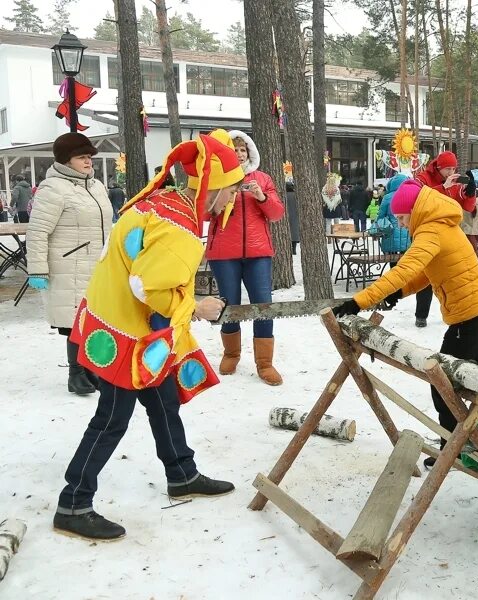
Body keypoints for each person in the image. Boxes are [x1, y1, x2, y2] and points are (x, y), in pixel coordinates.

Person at [54, 130, 241, 541]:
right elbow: (148, 286)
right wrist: (197, 309)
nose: (233, 200)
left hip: (123, 324)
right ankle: (74, 502)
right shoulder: (181, 228)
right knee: (112, 418)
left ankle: (181, 473)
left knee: (162, 399)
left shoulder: (167, 202)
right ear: (216, 188)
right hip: (126, 333)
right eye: (233, 191)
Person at [332, 179, 478, 468]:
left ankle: (453, 445)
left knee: (444, 384)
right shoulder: (437, 223)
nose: (402, 224)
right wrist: (398, 293)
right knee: (476, 384)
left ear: (415, 211)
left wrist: (358, 302)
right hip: (475, 313)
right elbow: (425, 273)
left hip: (469, 318)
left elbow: (404, 270)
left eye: (403, 218)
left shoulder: (431, 230)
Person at [26, 132, 114, 395]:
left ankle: (91, 370)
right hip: (70, 265)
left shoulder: (96, 186)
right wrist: (38, 269)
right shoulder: (53, 189)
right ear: (66, 161)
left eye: (89, 157)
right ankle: (76, 374)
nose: (88, 162)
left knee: (96, 318)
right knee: (76, 320)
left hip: (98, 264)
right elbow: (38, 231)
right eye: (82, 157)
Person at [206, 130, 286, 386]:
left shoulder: (262, 179)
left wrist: (261, 197)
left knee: (263, 304)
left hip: (258, 253)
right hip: (223, 254)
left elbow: (276, 214)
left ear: (249, 153)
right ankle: (231, 353)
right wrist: (221, 191)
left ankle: (265, 363)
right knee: (228, 304)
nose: (239, 154)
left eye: (243, 150)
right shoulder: (216, 179)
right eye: (234, 150)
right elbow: (206, 213)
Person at [413, 151, 478, 327]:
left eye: (453, 168)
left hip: (450, 233)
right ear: (439, 167)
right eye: (447, 169)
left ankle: (457, 312)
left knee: (454, 274)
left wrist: (470, 193)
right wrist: (444, 188)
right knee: (427, 273)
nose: (451, 172)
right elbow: (418, 200)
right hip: (427, 232)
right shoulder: (423, 177)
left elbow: (467, 207)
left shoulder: (456, 181)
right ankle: (421, 314)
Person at [377, 174, 412, 258]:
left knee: (392, 259)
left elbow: (380, 215)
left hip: (390, 233)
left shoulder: (387, 197)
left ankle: (394, 270)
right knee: (406, 259)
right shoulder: (410, 195)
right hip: (407, 232)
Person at [461, 187, 478, 258]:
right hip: (465, 229)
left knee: (473, 249)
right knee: (472, 250)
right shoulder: (463, 198)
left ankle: (475, 266)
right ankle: (476, 265)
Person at [322, 172, 343, 237]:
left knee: (328, 223)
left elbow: (323, 198)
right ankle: (337, 236)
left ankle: (328, 236)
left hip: (327, 207)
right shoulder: (336, 189)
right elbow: (339, 199)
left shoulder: (324, 189)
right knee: (336, 222)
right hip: (335, 207)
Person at [285, 179, 299, 255]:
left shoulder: (284, 196)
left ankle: (288, 248)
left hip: (286, 215)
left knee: (288, 231)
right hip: (295, 215)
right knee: (294, 232)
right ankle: (294, 249)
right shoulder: (296, 195)